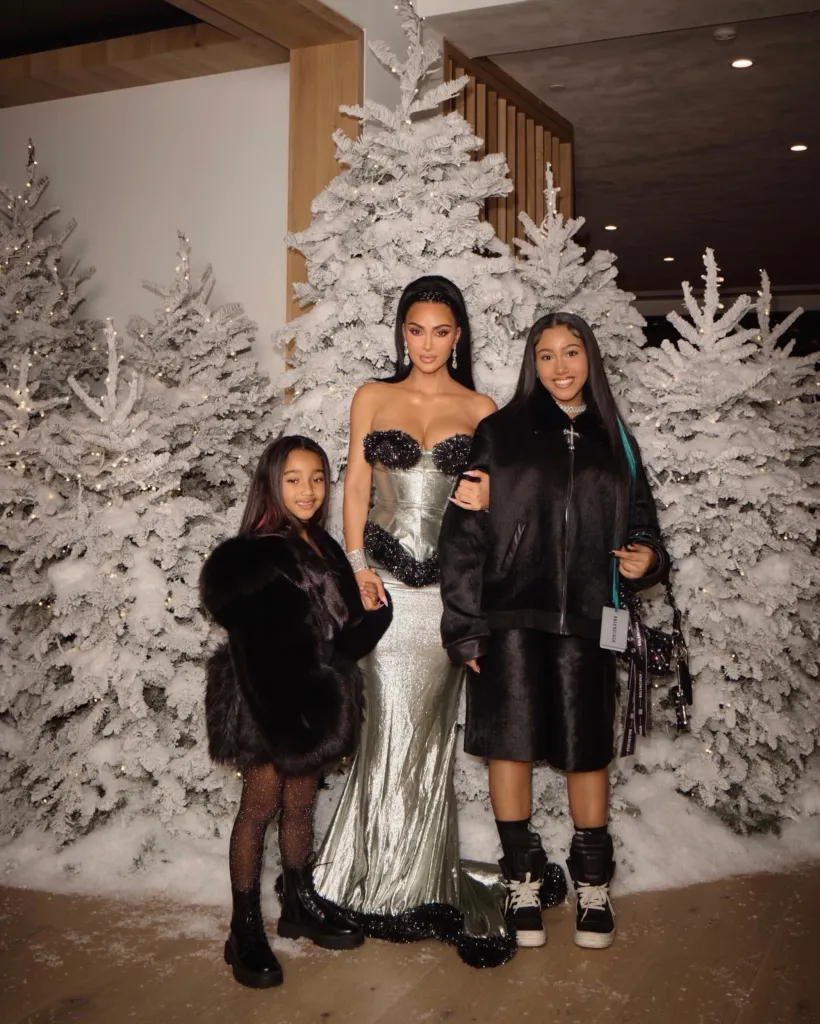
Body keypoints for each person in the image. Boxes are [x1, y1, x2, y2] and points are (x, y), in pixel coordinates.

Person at [313, 276, 558, 967]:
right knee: (384, 727)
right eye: (415, 330)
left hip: (447, 597)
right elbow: (356, 485)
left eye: (440, 331)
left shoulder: (482, 407)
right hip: (382, 588)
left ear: (459, 336)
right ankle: (366, 875)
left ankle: (413, 879)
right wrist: (357, 564)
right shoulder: (373, 396)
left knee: (424, 738)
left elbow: (496, 508)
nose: (426, 344)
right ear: (401, 332)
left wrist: (488, 498)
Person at [441, 312, 668, 950]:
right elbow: (462, 538)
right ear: (531, 364)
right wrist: (463, 627)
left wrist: (645, 557)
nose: (560, 367)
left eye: (571, 353)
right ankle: (521, 883)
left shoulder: (615, 440)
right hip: (509, 615)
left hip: (591, 620)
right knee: (510, 744)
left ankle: (593, 886)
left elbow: (643, 525)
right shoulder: (500, 433)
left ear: (589, 360)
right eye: (546, 356)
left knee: (586, 749)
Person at [200, 435, 392, 988]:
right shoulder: (255, 555)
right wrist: (289, 708)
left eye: (316, 478)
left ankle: (299, 903)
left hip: (310, 702)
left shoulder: (324, 546)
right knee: (259, 805)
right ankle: (243, 929)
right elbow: (265, 640)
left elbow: (340, 639)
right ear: (271, 484)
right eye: (293, 479)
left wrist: (375, 606)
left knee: (302, 803)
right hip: (266, 701)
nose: (307, 490)